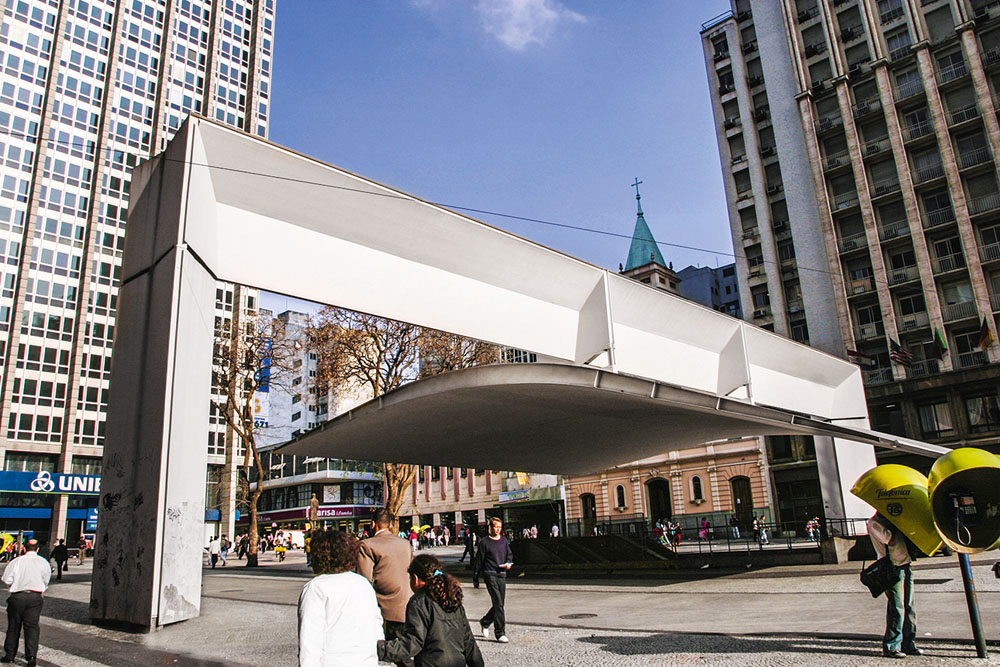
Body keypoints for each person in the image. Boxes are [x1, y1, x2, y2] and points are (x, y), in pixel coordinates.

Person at [378, 554, 484, 667]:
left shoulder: (419, 602)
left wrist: (379, 649)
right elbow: (468, 642)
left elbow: (413, 642)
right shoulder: (453, 600)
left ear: (415, 578)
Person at [298, 530, 383, 666]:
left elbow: (310, 640)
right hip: (366, 660)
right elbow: (376, 623)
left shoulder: (316, 588)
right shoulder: (362, 583)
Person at [358, 509, 413, 667]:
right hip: (406, 604)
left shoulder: (367, 545)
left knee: (382, 653)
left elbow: (364, 580)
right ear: (390, 524)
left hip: (383, 607)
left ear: (373, 524)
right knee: (404, 652)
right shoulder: (405, 544)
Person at [868, 512, 922, 659]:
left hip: (905, 563)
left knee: (909, 606)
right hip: (891, 567)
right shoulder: (874, 523)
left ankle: (908, 643)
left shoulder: (893, 519)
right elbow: (889, 539)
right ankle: (891, 645)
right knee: (897, 607)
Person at [2, 538, 51, 666]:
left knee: (13, 626)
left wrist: (15, 584)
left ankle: (10, 654)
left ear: (24, 548)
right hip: (35, 597)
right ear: (38, 549)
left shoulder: (16, 561)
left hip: (18, 596)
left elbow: (6, 579)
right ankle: (31, 657)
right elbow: (46, 580)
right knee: (32, 627)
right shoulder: (43, 562)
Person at [473, 516, 513, 644]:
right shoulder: (484, 542)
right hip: (489, 574)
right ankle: (500, 633)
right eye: (495, 527)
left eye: (499, 527)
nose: (497, 529)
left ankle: (485, 622)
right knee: (498, 603)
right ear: (490, 527)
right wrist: (475, 576)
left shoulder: (504, 541)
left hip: (502, 573)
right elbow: (479, 560)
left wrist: (509, 563)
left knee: (499, 604)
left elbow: (509, 554)